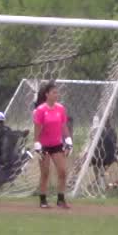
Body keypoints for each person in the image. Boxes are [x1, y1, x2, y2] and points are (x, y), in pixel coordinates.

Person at [32, 81, 73, 209]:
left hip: (56, 145)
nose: (57, 94)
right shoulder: (40, 110)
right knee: (45, 173)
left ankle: (61, 199)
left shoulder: (60, 108)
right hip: (44, 145)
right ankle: (43, 200)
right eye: (54, 92)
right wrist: (36, 143)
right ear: (47, 94)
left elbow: (63, 125)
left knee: (62, 171)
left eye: (57, 92)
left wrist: (68, 140)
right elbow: (37, 128)